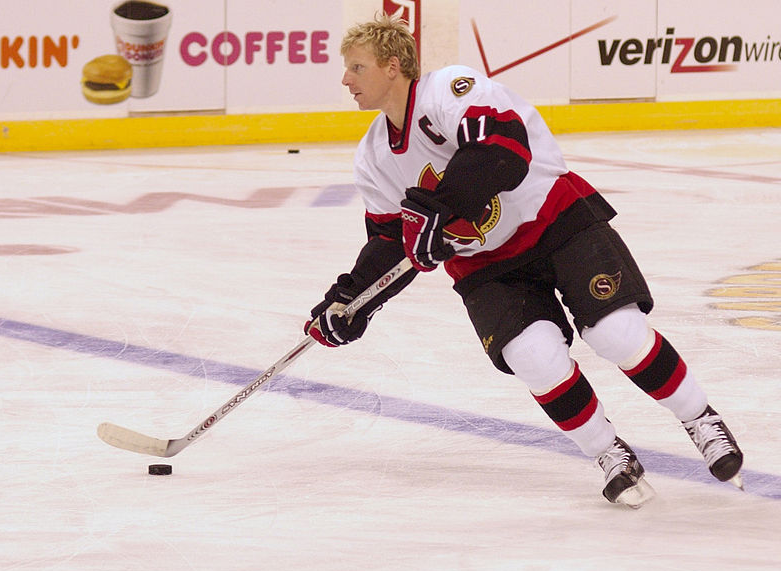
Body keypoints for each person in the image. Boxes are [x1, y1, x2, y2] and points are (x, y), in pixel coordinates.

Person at [304, 13, 744, 507]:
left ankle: (700, 418)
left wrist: (443, 209)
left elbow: (503, 149)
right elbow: (390, 244)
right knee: (533, 357)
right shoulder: (372, 157)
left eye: (356, 67)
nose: (345, 80)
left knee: (615, 334)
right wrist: (351, 301)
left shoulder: (449, 90)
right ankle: (607, 452)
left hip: (554, 221)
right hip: (486, 265)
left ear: (392, 67)